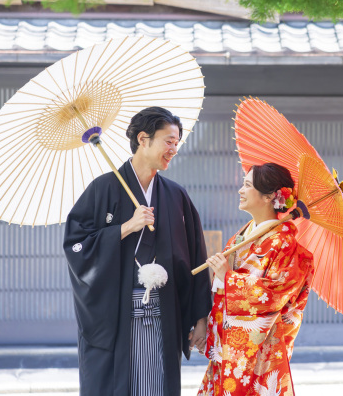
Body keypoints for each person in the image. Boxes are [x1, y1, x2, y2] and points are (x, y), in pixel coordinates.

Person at [63, 106, 212, 396]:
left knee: (157, 385)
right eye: (168, 141)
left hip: (164, 313)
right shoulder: (102, 189)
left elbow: (195, 256)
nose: (174, 149)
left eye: (177, 142)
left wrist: (200, 316)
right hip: (116, 317)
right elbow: (76, 245)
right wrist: (125, 227)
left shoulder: (176, 195)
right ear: (143, 139)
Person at [197, 163, 315, 396]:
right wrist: (209, 328)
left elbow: (273, 296)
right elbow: (222, 294)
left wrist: (228, 277)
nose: (241, 190)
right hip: (229, 347)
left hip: (260, 353)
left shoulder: (283, 243)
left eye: (247, 185)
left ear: (271, 196)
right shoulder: (244, 235)